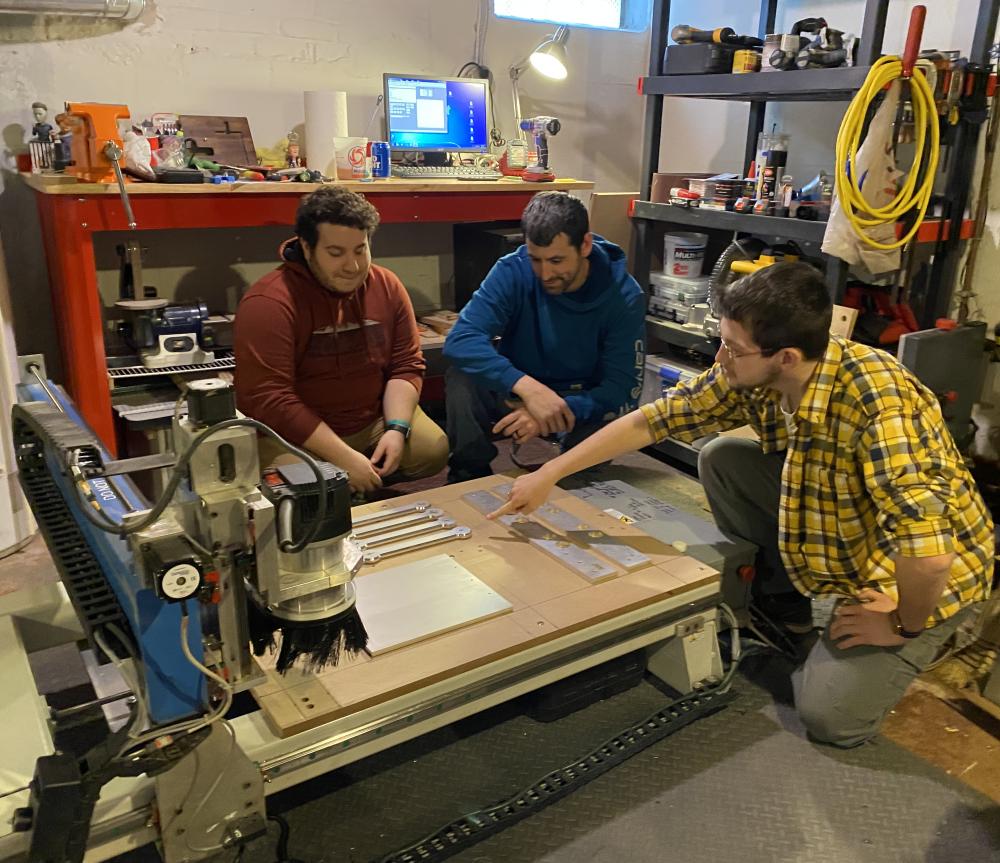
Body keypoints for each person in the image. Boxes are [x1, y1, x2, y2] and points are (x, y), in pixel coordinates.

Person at [489, 261, 993, 748]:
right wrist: (549, 473)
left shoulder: (881, 407)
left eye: (732, 347)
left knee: (829, 717)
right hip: (847, 516)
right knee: (724, 456)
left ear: (786, 356)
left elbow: (929, 555)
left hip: (923, 568)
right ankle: (785, 595)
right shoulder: (759, 375)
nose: (720, 358)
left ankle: (944, 631)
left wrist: (903, 622)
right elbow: (653, 420)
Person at [234, 186, 448, 493]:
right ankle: (339, 484)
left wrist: (396, 430)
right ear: (307, 248)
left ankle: (355, 482)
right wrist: (342, 457)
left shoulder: (386, 285)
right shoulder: (268, 303)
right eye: (336, 253)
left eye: (360, 250)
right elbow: (272, 399)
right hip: (295, 436)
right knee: (301, 482)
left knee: (433, 449)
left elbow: (405, 365)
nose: (354, 266)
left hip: (368, 422)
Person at [443, 191, 645, 482]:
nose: (545, 273)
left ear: (585, 245)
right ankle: (469, 472)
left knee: (581, 475)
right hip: (518, 389)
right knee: (462, 377)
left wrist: (552, 410)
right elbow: (460, 340)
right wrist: (528, 390)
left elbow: (623, 389)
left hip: (581, 399)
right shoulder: (513, 269)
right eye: (536, 259)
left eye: (557, 260)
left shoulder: (624, 296)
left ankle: (574, 472)